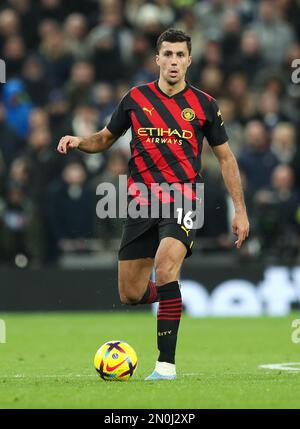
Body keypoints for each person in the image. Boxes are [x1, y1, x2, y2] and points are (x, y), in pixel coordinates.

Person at [57, 28, 249, 381]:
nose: (174, 61)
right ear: (156, 59)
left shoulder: (205, 105)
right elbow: (104, 138)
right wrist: (79, 141)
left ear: (189, 60)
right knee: (130, 293)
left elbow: (226, 159)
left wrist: (240, 209)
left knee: (165, 265)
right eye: (168, 54)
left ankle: (166, 366)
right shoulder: (135, 99)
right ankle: (172, 296)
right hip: (142, 202)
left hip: (185, 196)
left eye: (180, 55)